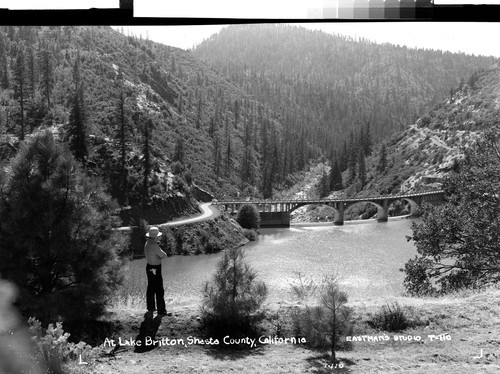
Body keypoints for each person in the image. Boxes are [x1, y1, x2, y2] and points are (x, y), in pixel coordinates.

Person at [144, 227, 167, 316]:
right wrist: (161, 250)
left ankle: (151, 308)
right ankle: (161, 311)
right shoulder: (155, 245)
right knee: (159, 289)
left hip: (149, 267)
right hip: (156, 268)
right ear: (155, 237)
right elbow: (163, 255)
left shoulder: (147, 243)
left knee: (150, 288)